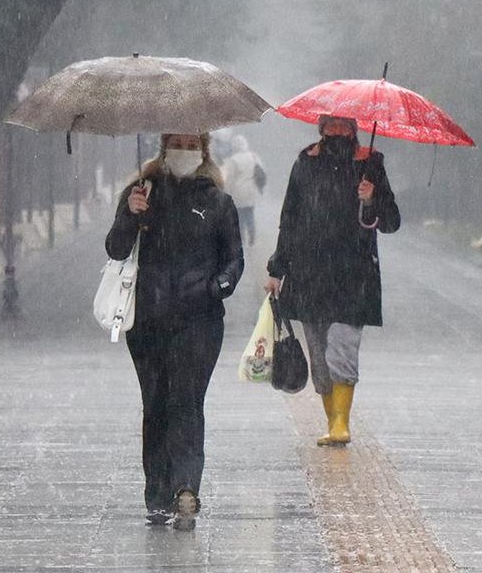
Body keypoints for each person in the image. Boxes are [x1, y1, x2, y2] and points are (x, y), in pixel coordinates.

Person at [105, 133, 244, 530]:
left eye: (191, 143)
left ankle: (185, 487)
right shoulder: (142, 193)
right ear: (164, 147)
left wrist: (215, 287)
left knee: (186, 400)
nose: (184, 150)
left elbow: (234, 260)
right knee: (156, 404)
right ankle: (157, 493)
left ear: (203, 149)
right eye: (176, 142)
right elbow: (115, 248)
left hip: (199, 322)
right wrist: (131, 214)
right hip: (148, 319)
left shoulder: (218, 202)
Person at [263, 115, 400, 447]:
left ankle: (342, 423)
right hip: (309, 274)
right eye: (331, 125)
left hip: (354, 277)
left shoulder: (371, 163)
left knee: (342, 347)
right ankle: (330, 420)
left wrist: (371, 199)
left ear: (354, 129)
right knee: (319, 356)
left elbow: (391, 221)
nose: (337, 131)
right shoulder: (305, 161)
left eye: (344, 125)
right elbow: (290, 218)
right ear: (321, 127)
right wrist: (276, 269)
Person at [220, 134, 267, 245]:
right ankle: (252, 236)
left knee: (240, 216)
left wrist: (226, 192)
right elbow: (261, 171)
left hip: (238, 192)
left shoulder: (232, 160)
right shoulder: (253, 156)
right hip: (251, 191)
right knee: (249, 213)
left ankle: (242, 238)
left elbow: (229, 178)